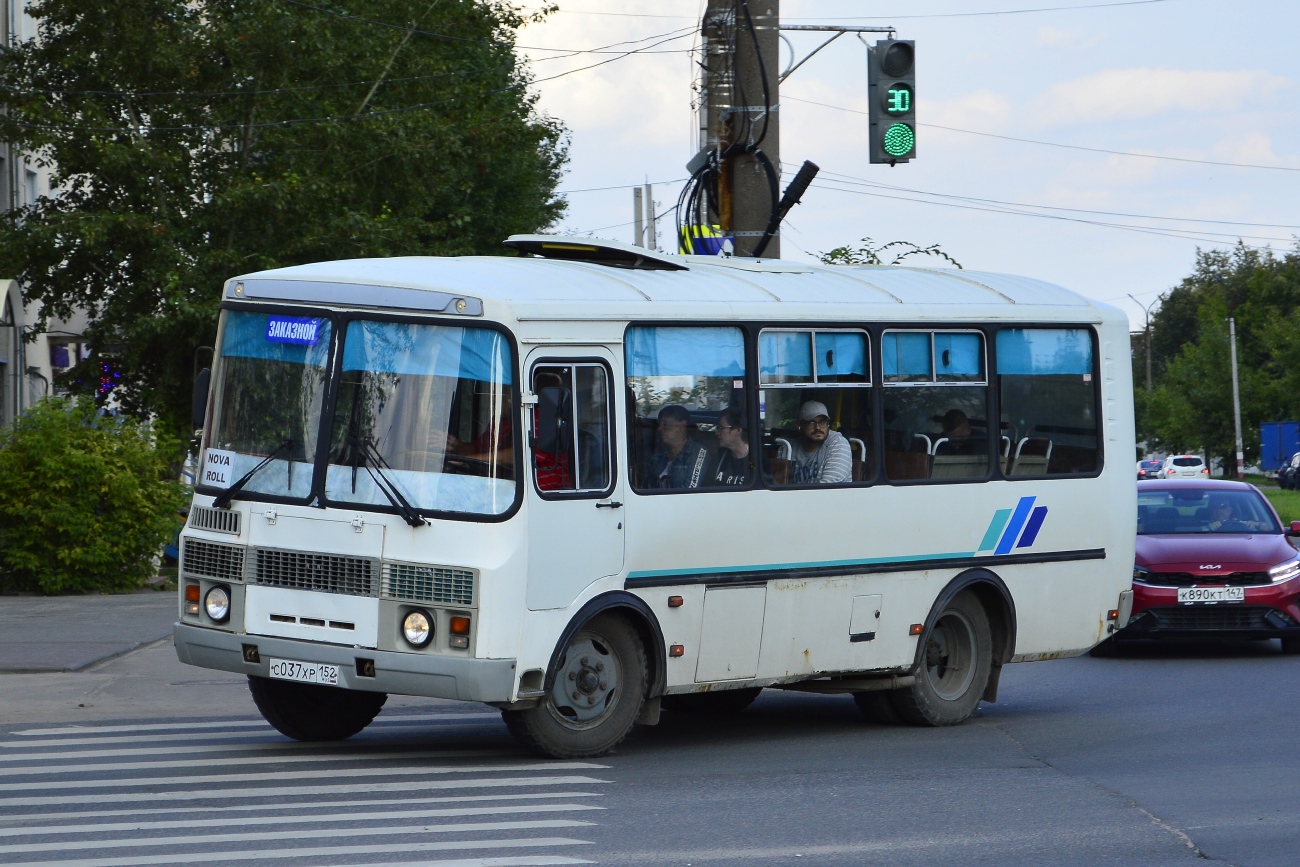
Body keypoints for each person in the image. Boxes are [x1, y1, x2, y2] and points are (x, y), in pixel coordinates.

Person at [790, 400, 852, 485]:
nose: (818, 428)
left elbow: (829, 486)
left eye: (822, 422)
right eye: (811, 422)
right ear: (799, 425)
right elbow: (779, 484)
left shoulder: (838, 443)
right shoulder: (789, 447)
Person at [647, 404, 709, 489]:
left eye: (665, 424)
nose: (659, 429)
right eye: (659, 424)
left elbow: (690, 490)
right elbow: (646, 485)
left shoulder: (698, 452)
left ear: (682, 425)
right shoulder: (660, 455)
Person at [709, 409, 749, 486]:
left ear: (737, 431)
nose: (717, 433)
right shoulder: (719, 457)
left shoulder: (756, 458)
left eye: (721, 428)